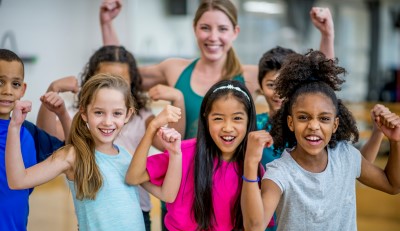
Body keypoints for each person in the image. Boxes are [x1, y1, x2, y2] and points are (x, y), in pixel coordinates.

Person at [241, 50, 400, 231]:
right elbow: (255, 227)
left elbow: (392, 184)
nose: (314, 126)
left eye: (324, 118)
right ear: (290, 123)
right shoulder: (279, 172)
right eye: (303, 117)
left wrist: (395, 142)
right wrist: (250, 165)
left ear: (334, 125)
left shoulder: (345, 156)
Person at [100, 0, 335, 140]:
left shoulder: (252, 76)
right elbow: (119, 76)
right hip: (181, 184)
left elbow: (315, 84)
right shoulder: (174, 69)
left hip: (228, 188)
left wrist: (327, 35)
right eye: (205, 28)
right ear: (194, 29)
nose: (213, 37)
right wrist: (107, 24)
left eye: (222, 29)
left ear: (235, 32)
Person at [36, 45, 185, 231]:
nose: (113, 83)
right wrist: (52, 92)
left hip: (137, 211)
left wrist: (178, 100)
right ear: (93, 78)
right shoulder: (85, 117)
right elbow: (49, 141)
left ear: (132, 82)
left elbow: (171, 142)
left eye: (121, 79)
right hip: (96, 214)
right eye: (105, 76)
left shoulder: (141, 116)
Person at [5, 73, 163, 231]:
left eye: (116, 113)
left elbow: (166, 194)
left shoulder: (126, 156)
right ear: (84, 113)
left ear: (128, 115)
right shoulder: (73, 155)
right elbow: (17, 180)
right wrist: (15, 127)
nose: (107, 121)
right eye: (98, 112)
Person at [125, 79, 274, 231]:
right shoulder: (184, 151)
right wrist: (152, 128)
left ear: (249, 121)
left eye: (237, 118)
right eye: (218, 118)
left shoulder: (252, 171)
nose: (228, 127)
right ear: (206, 118)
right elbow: (134, 176)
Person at [0, 49, 65, 231]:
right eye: (0, 82)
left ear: (23, 89)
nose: (7, 91)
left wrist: (62, 113)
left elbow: (71, 149)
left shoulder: (29, 134)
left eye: (15, 84)